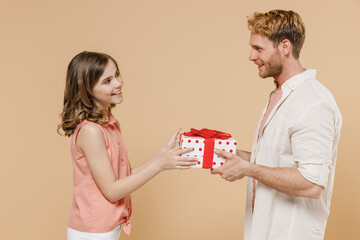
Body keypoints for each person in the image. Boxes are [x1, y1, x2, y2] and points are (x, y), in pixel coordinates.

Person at [211, 9, 342, 240]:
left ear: (285, 47)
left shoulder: (313, 102)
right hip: (262, 231)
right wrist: (236, 156)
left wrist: (248, 169)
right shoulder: (280, 94)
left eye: (258, 49)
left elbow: (312, 184)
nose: (251, 56)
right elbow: (277, 161)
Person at [58, 51, 197, 240]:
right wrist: (160, 164)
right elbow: (112, 191)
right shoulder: (91, 132)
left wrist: (164, 153)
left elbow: (125, 176)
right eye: (107, 81)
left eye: (116, 74)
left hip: (109, 227)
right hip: (92, 232)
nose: (118, 83)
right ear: (87, 90)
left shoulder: (110, 125)